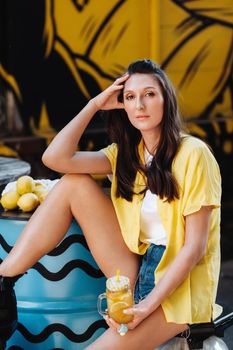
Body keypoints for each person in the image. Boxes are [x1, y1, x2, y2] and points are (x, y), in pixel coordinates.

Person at [0, 59, 222, 349]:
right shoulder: (127, 155)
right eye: (130, 97)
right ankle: (4, 282)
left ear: (166, 99)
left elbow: (195, 247)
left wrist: (145, 306)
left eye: (149, 94)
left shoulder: (193, 154)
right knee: (74, 183)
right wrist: (94, 104)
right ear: (122, 105)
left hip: (181, 289)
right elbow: (54, 159)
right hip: (141, 267)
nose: (139, 104)